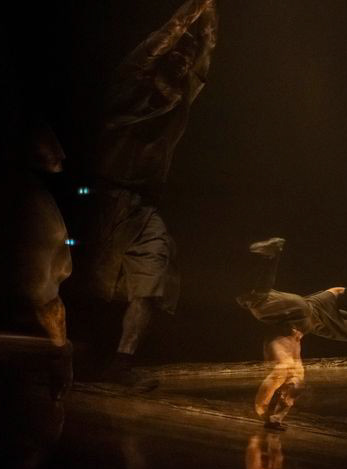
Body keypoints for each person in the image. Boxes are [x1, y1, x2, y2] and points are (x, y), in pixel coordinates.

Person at [86, 0, 218, 386]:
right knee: (91, 283)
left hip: (144, 208)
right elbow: (163, 38)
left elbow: (207, 50)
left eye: (187, 58)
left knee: (152, 279)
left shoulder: (180, 102)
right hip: (103, 199)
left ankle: (122, 363)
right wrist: (193, 10)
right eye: (177, 54)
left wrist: (211, 12)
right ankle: (81, 354)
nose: (183, 61)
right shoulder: (129, 87)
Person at [236, 237, 347, 430]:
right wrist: (262, 411)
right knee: (288, 373)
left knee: (295, 380)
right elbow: (341, 291)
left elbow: (340, 291)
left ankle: (275, 419)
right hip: (297, 314)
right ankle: (272, 255)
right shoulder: (298, 324)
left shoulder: (316, 309)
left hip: (301, 315)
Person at [0, 120, 74, 400]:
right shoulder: (30, 204)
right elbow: (41, 292)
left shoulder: (24, 198)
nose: (60, 152)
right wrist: (60, 353)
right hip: (20, 353)